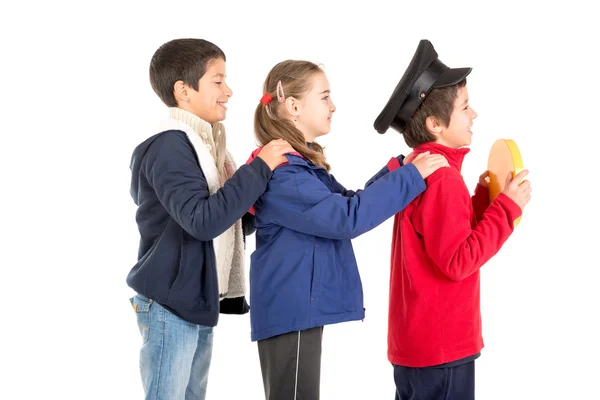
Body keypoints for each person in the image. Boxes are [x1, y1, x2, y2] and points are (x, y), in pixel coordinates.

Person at [246, 59, 450, 399]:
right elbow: (347, 218)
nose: (333, 106)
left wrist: (398, 169)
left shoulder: (300, 166)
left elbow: (349, 201)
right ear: (294, 106)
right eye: (325, 97)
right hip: (292, 308)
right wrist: (411, 177)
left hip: (296, 306)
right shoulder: (286, 175)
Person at [126, 38, 294, 400]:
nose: (228, 91)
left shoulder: (207, 145)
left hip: (194, 300)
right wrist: (259, 169)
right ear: (183, 91)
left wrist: (262, 195)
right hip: (170, 304)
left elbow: (225, 223)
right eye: (218, 81)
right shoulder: (170, 145)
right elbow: (202, 221)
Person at [373, 39, 532, 400]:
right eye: (464, 107)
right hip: (442, 348)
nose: (473, 114)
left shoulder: (418, 169)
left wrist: (480, 201)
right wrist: (506, 208)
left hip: (418, 346)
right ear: (434, 123)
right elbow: (458, 260)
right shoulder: (442, 178)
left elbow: (441, 236)